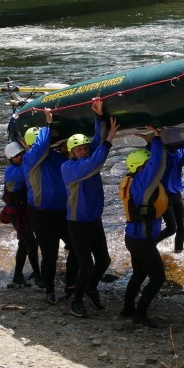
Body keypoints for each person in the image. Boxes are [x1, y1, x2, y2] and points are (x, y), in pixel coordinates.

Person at [61, 98, 119, 318]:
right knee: (86, 265)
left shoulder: (87, 155)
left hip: (94, 219)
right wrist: (110, 141)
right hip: (77, 223)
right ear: (71, 153)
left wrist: (100, 116)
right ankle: (76, 301)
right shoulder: (69, 168)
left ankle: (91, 288)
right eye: (79, 150)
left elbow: (97, 140)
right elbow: (96, 160)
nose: (84, 151)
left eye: (85, 148)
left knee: (104, 261)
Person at [22, 111, 78, 305]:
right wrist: (48, 124)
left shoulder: (57, 156)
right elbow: (39, 148)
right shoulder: (30, 159)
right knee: (50, 255)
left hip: (63, 212)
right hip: (41, 214)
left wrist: (67, 149)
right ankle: (50, 290)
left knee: (77, 248)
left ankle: (70, 284)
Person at [119, 129, 169, 327]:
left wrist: (152, 144)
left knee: (139, 274)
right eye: (145, 165)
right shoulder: (141, 183)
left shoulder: (134, 180)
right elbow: (157, 165)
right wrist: (156, 139)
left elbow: (155, 165)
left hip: (133, 238)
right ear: (140, 168)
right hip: (142, 240)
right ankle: (140, 315)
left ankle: (127, 308)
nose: (149, 168)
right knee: (158, 278)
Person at [1, 141, 41, 288]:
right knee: (31, 243)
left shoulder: (22, 165)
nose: (20, 157)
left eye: (21, 154)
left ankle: (17, 275)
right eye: (16, 156)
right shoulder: (11, 172)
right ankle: (37, 274)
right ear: (11, 159)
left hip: (24, 211)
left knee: (24, 244)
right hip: (16, 213)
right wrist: (33, 153)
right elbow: (27, 170)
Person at [159, 144, 184, 253]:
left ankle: (178, 252)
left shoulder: (181, 152)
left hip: (177, 194)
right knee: (172, 228)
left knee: (181, 227)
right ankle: (151, 244)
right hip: (164, 195)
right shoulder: (162, 152)